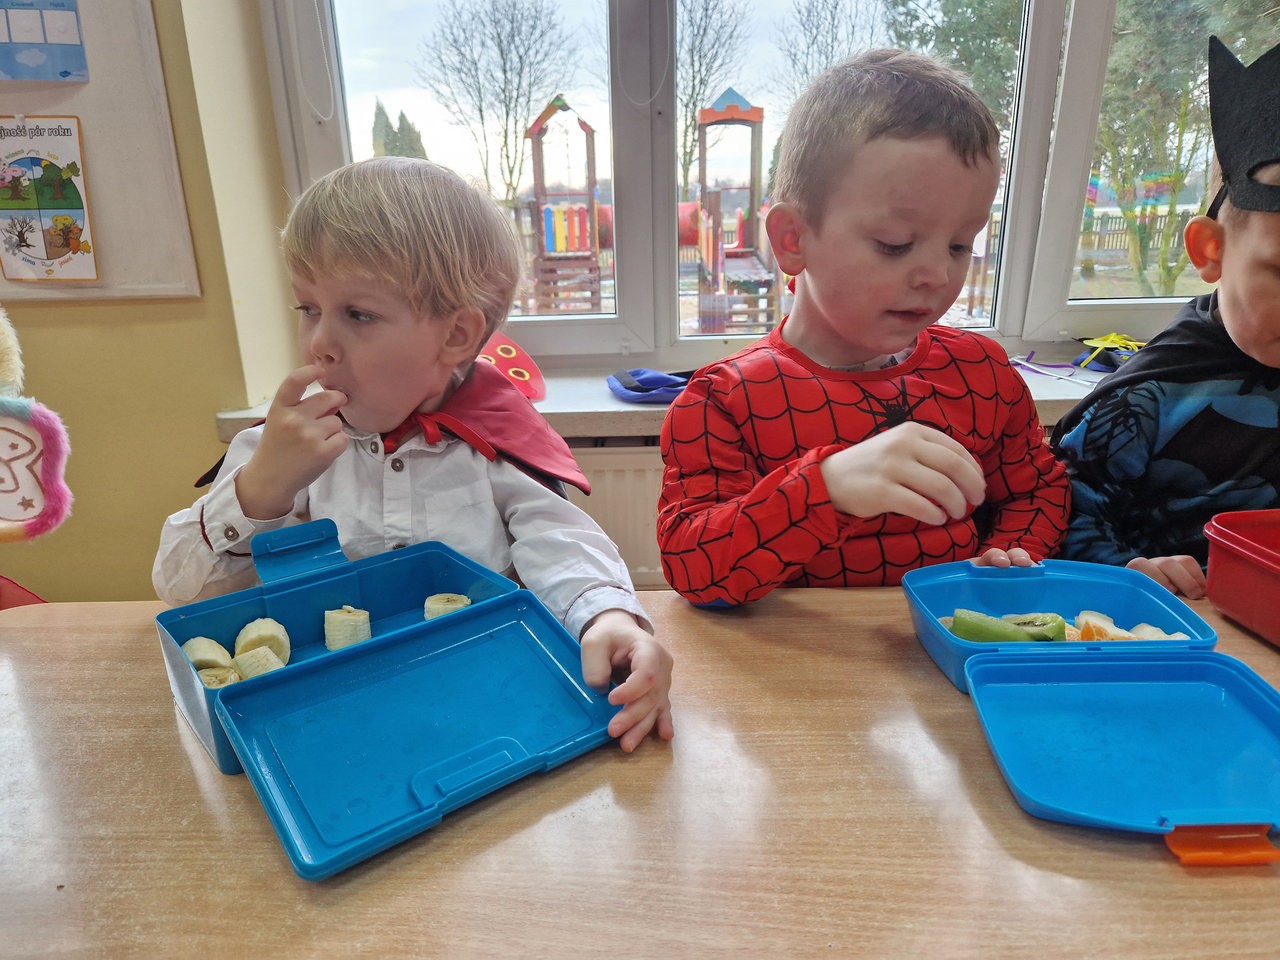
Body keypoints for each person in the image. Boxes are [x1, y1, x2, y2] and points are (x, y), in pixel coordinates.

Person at [154, 157, 673, 752]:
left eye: (358, 314)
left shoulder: (492, 443)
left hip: (479, 707)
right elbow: (181, 592)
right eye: (308, 309)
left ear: (456, 336)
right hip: (333, 720)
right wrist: (260, 490)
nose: (319, 343)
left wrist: (608, 619)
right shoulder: (282, 449)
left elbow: (561, 544)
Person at [657, 49, 1070, 607]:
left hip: (951, 649)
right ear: (792, 240)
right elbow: (693, 569)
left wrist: (1009, 557)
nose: (936, 274)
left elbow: (1038, 492)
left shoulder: (982, 372)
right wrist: (826, 488)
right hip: (798, 657)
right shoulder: (721, 400)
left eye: (960, 245)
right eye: (895, 244)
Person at [1051, 37, 1280, 600]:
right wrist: (1128, 569)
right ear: (1211, 251)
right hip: (1164, 619)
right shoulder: (1144, 399)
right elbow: (1056, 518)